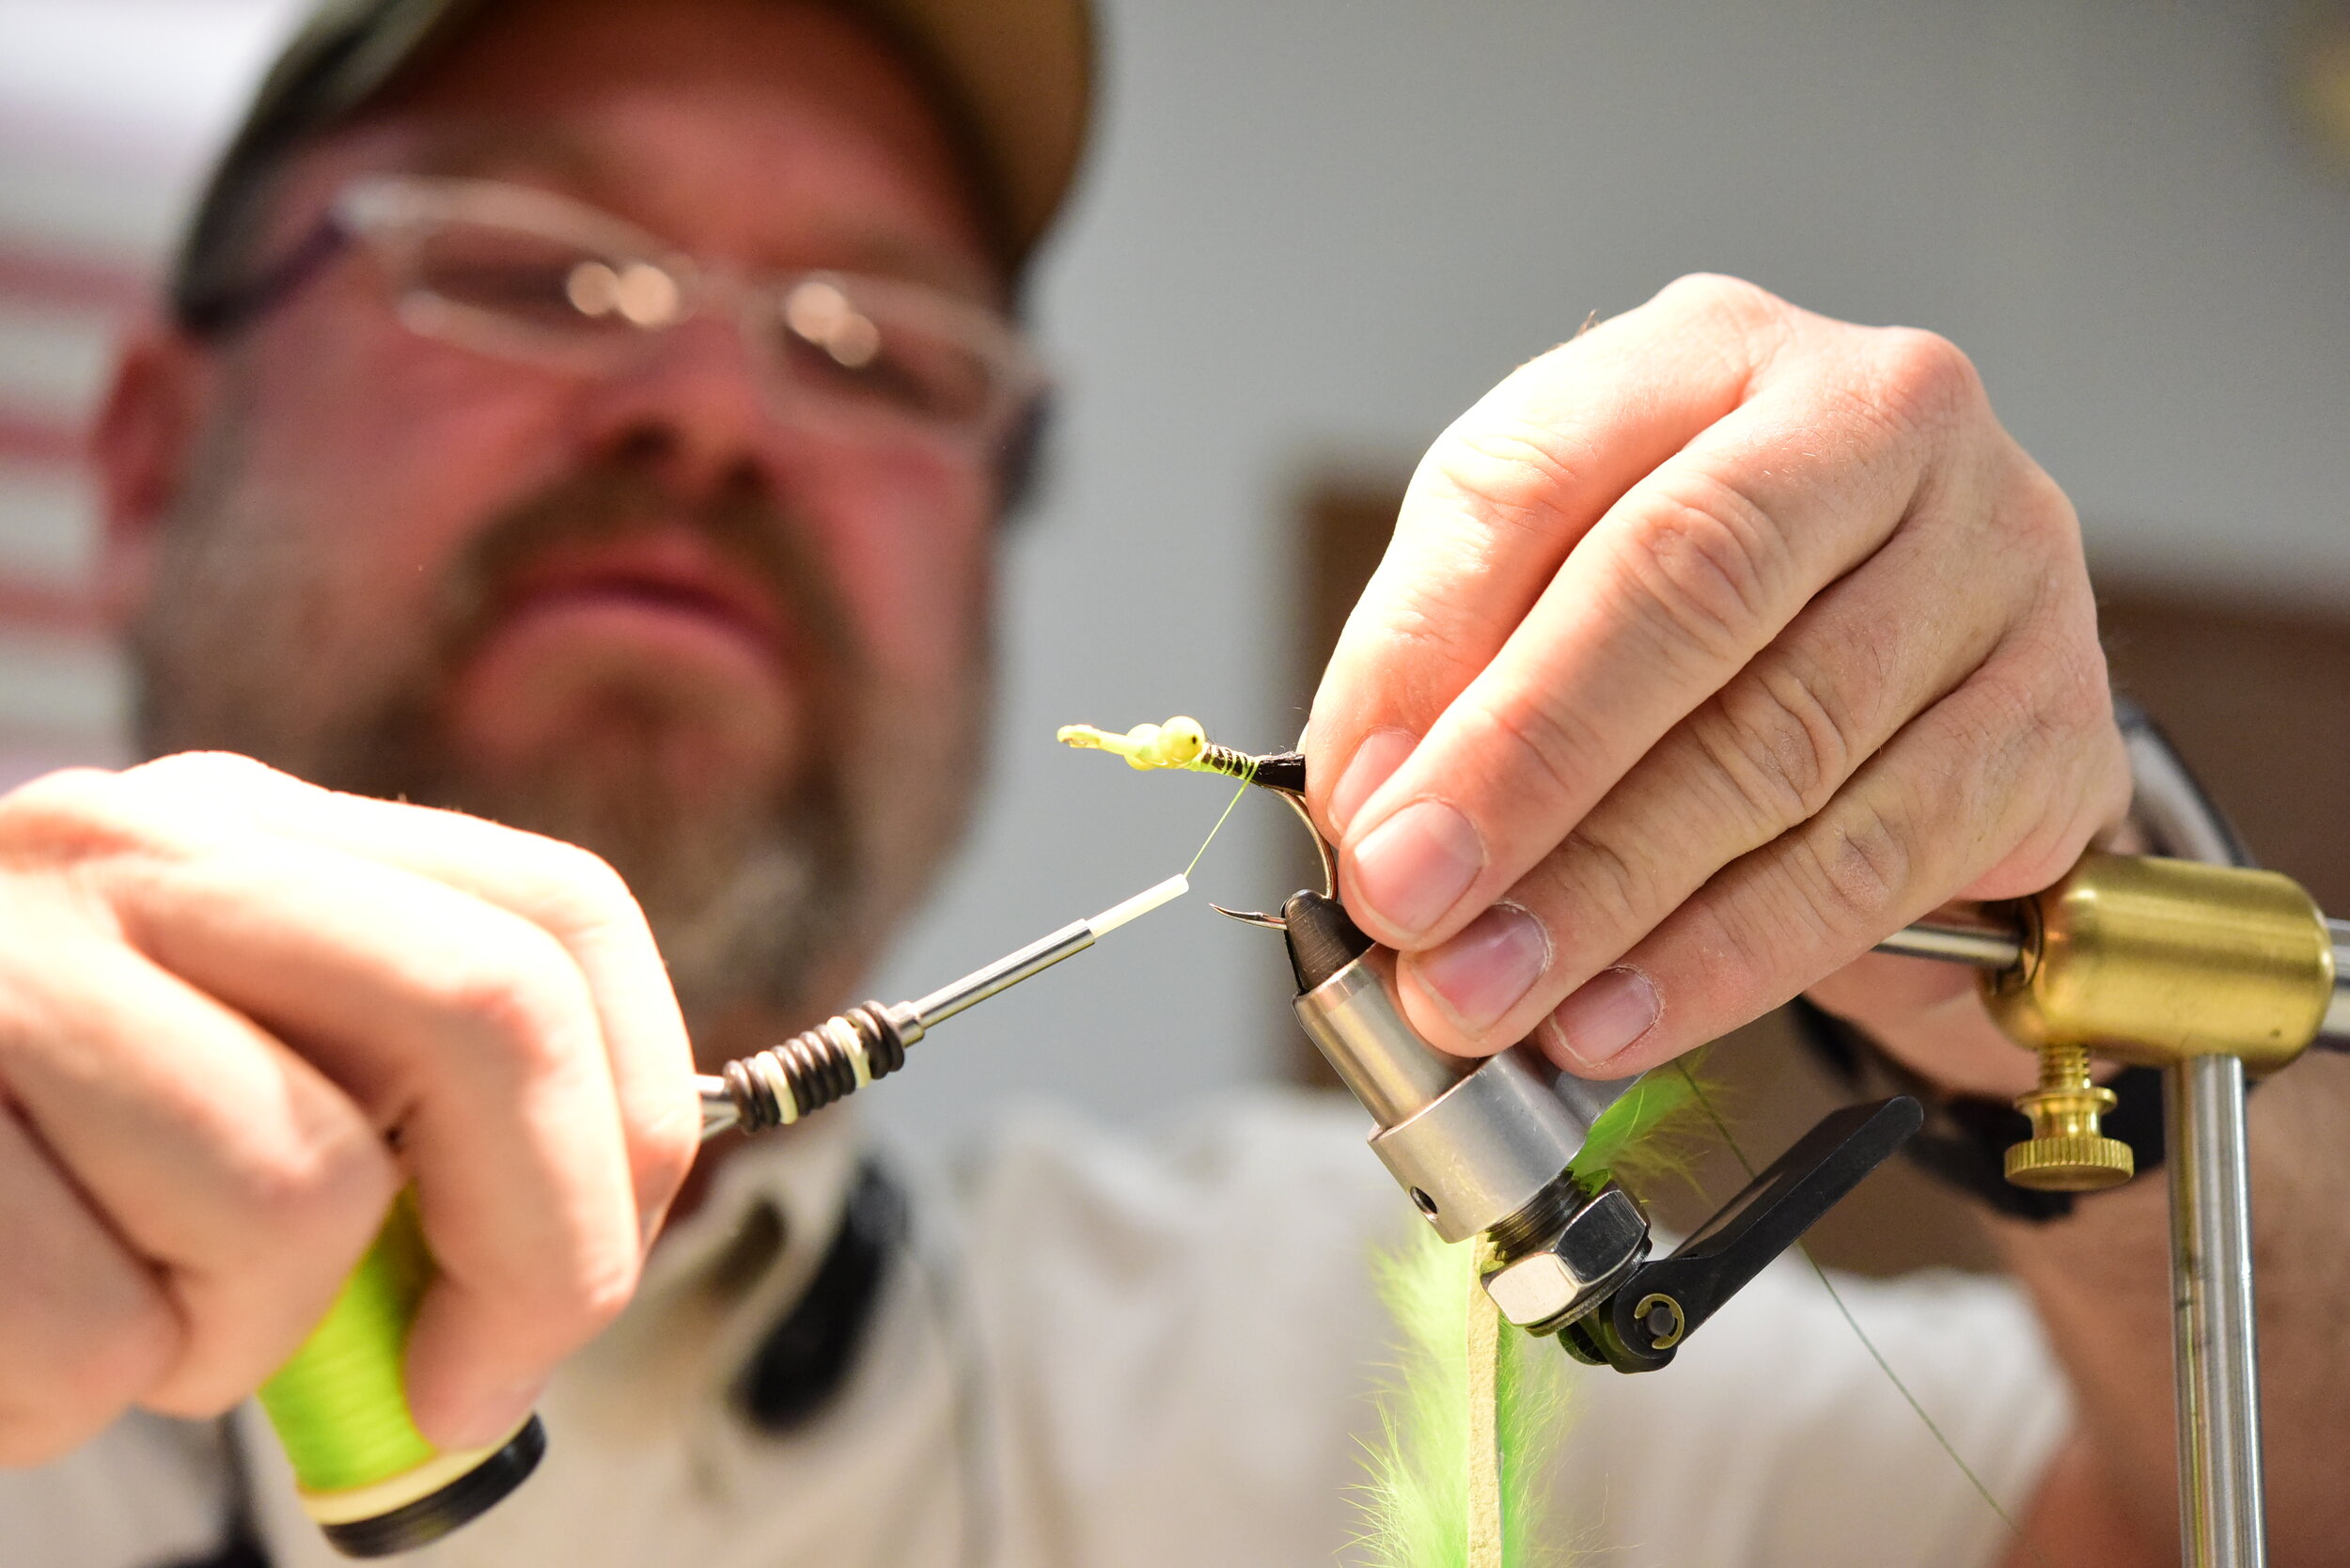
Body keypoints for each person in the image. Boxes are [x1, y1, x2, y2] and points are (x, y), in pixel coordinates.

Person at [1, 0, 2342, 1563]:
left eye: (871, 338)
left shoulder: (1334, 1371)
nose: (710, 409)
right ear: (143, 449)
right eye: (530, 264)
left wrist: (2080, 959)